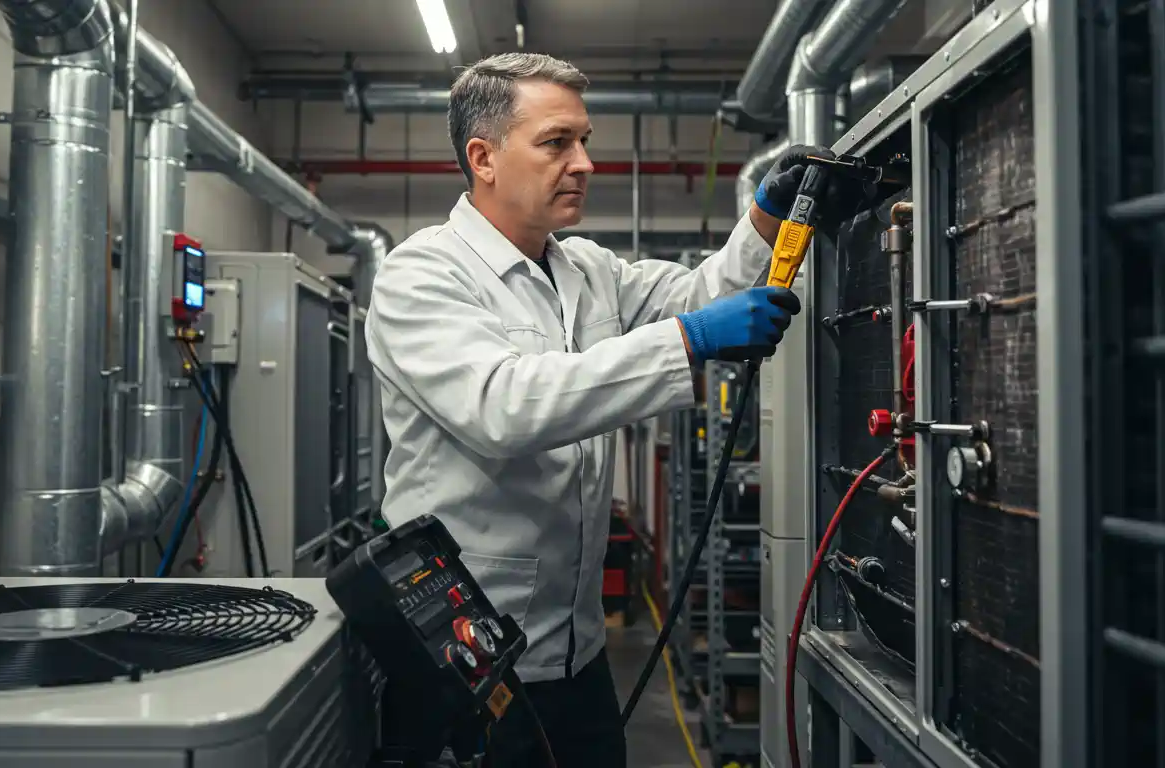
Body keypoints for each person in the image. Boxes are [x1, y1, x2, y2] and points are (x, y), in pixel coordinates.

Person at [365, 52, 869, 768]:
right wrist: (689, 341)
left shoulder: (585, 268)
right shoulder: (421, 274)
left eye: (584, 140)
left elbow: (701, 297)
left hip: (579, 650)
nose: (583, 163)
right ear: (483, 157)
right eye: (555, 142)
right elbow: (501, 407)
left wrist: (764, 217)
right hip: (465, 659)